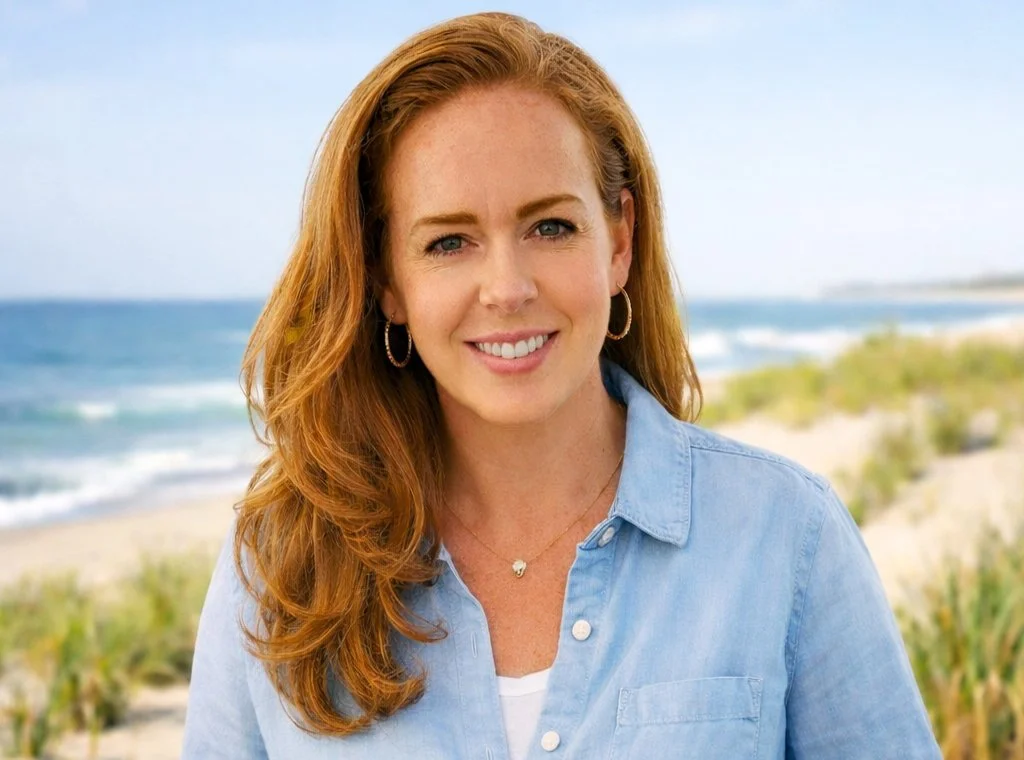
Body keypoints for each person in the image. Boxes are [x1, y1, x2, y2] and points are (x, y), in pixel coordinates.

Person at [182, 12, 941, 759]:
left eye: (549, 227)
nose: (506, 288)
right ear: (386, 281)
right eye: (449, 242)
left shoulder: (785, 537)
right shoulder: (278, 567)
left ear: (618, 241)